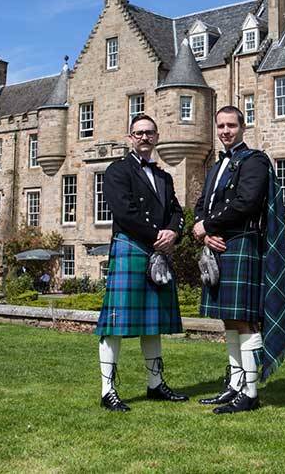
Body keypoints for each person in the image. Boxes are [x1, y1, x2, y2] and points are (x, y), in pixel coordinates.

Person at [193, 105, 285, 414]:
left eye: (231, 125)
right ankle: (234, 385)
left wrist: (209, 225)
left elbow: (247, 202)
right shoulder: (216, 166)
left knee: (245, 320)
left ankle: (249, 393)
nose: (225, 131)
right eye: (220, 126)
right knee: (230, 320)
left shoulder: (254, 161)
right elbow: (202, 204)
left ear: (243, 127)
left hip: (242, 244)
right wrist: (203, 232)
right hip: (221, 246)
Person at [95, 114, 188, 411]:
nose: (144, 137)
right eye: (138, 133)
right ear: (130, 138)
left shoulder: (164, 176)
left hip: (156, 252)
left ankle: (155, 384)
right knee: (114, 323)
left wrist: (174, 232)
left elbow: (176, 210)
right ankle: (107, 390)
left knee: (153, 322)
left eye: (149, 133)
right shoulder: (117, 171)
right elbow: (124, 212)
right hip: (131, 247)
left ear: (157, 136)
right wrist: (157, 236)